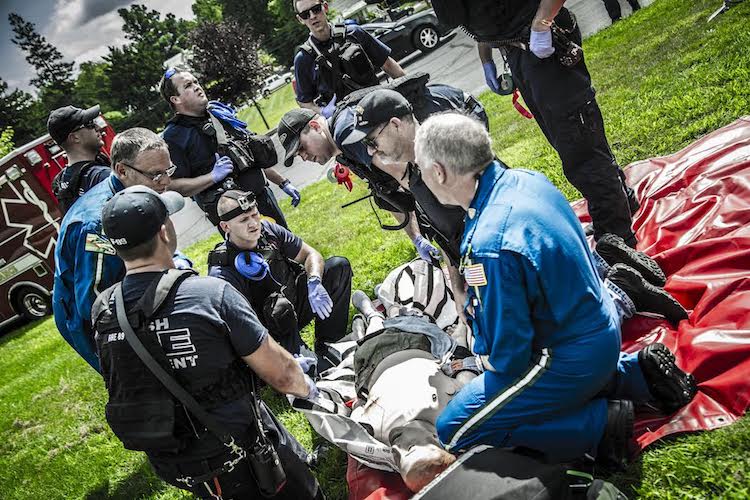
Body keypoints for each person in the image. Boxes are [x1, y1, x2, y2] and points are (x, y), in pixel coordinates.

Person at [415, 113, 696, 468]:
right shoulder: (526, 180)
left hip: (569, 356)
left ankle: (600, 426)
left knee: (454, 428)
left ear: (439, 172)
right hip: (600, 327)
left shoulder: (488, 245)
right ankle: (636, 376)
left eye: (423, 170)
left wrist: (478, 361)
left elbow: (510, 356)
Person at [91, 185, 323, 499]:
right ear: (164, 232)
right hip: (235, 446)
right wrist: (309, 388)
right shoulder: (209, 293)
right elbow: (281, 373)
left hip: (174, 457)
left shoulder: (104, 308)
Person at [436, 0, 639, 246]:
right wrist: (486, 58)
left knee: (579, 146)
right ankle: (621, 200)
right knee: (569, 141)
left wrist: (542, 24)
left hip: (545, 46)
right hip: (520, 52)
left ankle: (618, 241)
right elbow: (484, 15)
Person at [278, 86, 487, 305]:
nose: (303, 156)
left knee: (459, 227)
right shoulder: (342, 149)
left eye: (301, 147)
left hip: (461, 123)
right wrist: (417, 237)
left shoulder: (346, 133)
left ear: (314, 126)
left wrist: (447, 233)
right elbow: (389, 191)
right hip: (447, 139)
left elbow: (409, 176)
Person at [53, 127, 188, 372]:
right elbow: (95, 305)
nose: (166, 182)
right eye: (156, 175)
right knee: (138, 376)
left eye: (168, 171)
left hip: (125, 281)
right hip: (87, 311)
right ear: (122, 170)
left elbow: (160, 247)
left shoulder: (142, 193)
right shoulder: (96, 225)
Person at [208, 190, 352, 366]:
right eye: (244, 220)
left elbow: (310, 254)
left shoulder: (268, 230)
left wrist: (314, 281)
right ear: (225, 227)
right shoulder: (222, 270)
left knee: (338, 267)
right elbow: (239, 327)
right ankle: (300, 358)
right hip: (270, 331)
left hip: (294, 302)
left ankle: (328, 343)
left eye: (254, 215)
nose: (253, 224)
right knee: (315, 371)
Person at [160, 69, 300, 229]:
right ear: (175, 99)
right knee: (255, 255)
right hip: (232, 219)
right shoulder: (173, 136)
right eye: (188, 85)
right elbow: (172, 185)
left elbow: (250, 154)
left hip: (262, 198)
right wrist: (212, 177)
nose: (197, 87)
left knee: (287, 247)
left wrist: (283, 182)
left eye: (196, 82)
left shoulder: (219, 114)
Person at [293, 0, 406, 116]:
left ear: (325, 7)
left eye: (316, 9)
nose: (312, 16)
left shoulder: (354, 33)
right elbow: (305, 102)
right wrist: (323, 112)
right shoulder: (303, 58)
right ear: (300, 19)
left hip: (378, 102)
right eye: (305, 14)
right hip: (345, 121)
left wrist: (411, 87)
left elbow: (388, 64)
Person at [47, 104, 111, 214]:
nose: (97, 127)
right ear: (74, 137)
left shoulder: (60, 183)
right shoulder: (102, 176)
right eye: (89, 124)